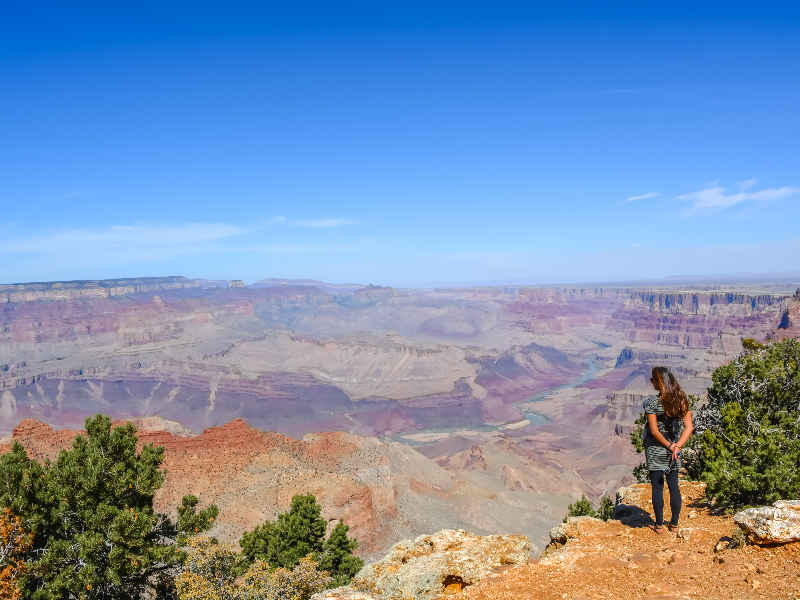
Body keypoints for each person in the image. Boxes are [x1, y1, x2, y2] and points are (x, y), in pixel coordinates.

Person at [642, 366, 694, 534]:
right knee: (674, 486)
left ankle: (658, 526)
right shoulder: (682, 400)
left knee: (657, 487)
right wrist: (677, 446)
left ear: (660, 382)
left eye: (652, 380)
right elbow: (689, 427)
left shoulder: (653, 402)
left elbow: (654, 431)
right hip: (674, 451)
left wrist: (670, 445)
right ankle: (674, 524)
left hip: (656, 448)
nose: (651, 382)